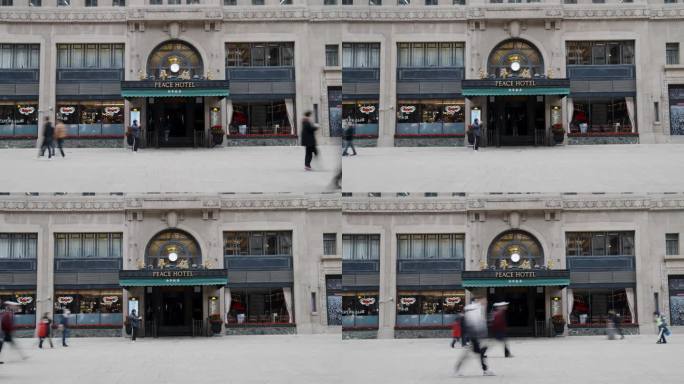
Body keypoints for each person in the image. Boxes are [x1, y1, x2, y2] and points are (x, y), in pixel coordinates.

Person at [454, 297, 494, 377]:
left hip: (476, 336)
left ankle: (485, 370)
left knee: (478, 353)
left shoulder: (479, 309)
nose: (486, 302)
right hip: (474, 336)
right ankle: (485, 370)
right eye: (484, 301)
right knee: (476, 353)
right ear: (480, 301)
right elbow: (474, 323)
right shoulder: (474, 309)